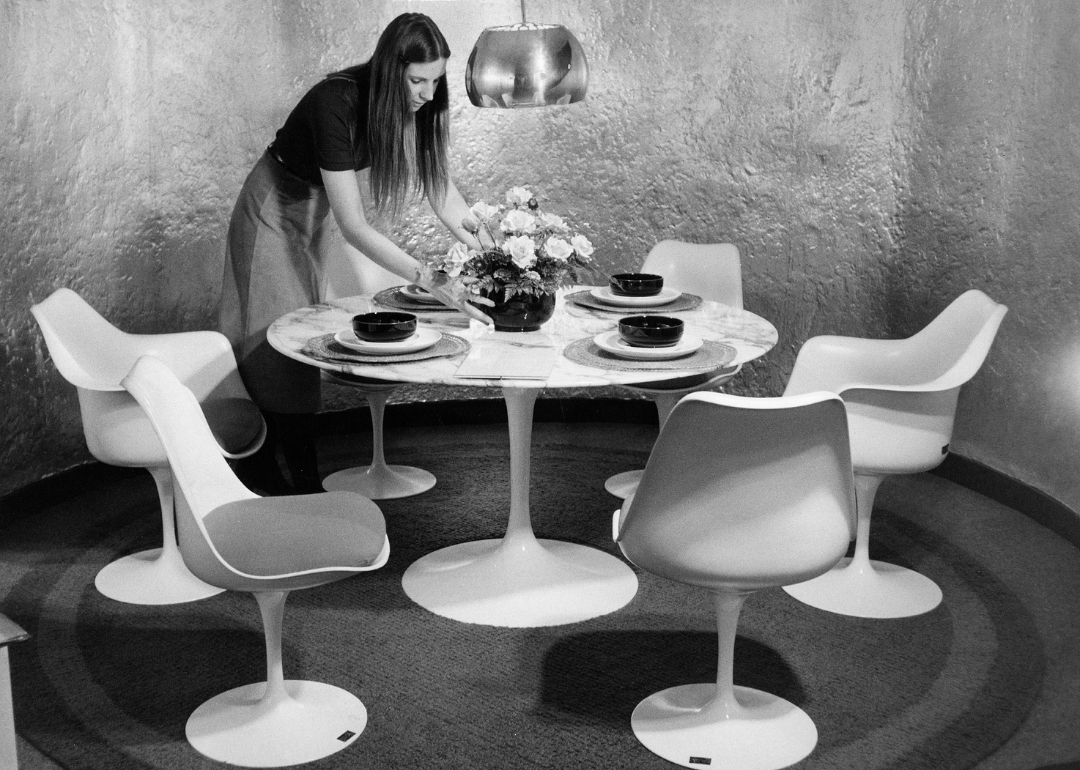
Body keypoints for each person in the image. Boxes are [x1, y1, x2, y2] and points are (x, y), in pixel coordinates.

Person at [219, 13, 491, 494]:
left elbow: (444, 196)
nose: (428, 93)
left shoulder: (419, 105)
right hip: (273, 207)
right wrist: (433, 280)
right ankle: (275, 478)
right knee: (272, 339)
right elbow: (356, 226)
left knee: (302, 337)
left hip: (314, 210)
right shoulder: (336, 102)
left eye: (435, 79)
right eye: (416, 80)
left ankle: (298, 478)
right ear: (391, 71)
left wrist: (493, 251)